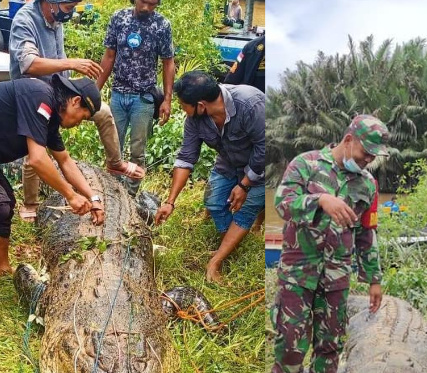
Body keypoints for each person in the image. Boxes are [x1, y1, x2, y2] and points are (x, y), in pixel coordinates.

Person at [268, 114, 387, 373]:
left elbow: (366, 234)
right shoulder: (305, 165)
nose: (368, 160)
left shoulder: (368, 184)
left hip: (336, 273)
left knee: (330, 338)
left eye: (374, 157)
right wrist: (320, 200)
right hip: (298, 270)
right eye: (365, 153)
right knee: (290, 336)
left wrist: (374, 278)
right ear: (349, 140)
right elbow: (283, 204)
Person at [8, 0, 140, 222]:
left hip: (59, 92)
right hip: (31, 97)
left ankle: (115, 163)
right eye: (68, 8)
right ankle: (30, 203)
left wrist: (92, 197)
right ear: (51, 3)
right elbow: (28, 64)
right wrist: (70, 64)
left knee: (103, 112)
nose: (70, 13)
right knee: (34, 151)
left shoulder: (57, 21)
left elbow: (65, 160)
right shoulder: (25, 19)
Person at [153, 71, 264, 282]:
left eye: (183, 104)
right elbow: (186, 157)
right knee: (213, 202)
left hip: (262, 166)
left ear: (201, 105)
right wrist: (170, 202)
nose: (182, 109)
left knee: (245, 209)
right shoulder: (195, 119)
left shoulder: (250, 103)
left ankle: (216, 262)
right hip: (229, 161)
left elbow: (265, 148)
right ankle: (230, 243)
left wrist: (245, 185)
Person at [0, 75, 106, 272]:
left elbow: (64, 161)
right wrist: (71, 196)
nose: (79, 124)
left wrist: (93, 197)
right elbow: (38, 159)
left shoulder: (51, 120)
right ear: (75, 101)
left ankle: (2, 267)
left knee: (5, 205)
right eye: (83, 116)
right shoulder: (39, 96)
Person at [97, 0, 175, 196]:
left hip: (143, 98)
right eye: (143, 2)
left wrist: (167, 99)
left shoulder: (162, 25)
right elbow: (109, 56)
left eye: (152, 4)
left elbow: (168, 63)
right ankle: (113, 191)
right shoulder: (119, 18)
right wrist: (94, 89)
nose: (146, 8)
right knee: (113, 147)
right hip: (118, 94)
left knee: (137, 150)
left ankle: (131, 194)